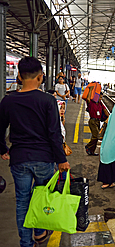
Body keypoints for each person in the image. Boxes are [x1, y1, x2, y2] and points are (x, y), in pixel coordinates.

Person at [0, 57, 70, 247]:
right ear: (40, 78)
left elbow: (0, 128)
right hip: (44, 159)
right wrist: (61, 159)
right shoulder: (48, 100)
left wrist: (3, 148)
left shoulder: (8, 101)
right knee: (43, 197)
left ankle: (26, 242)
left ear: (19, 77)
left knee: (22, 201)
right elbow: (54, 133)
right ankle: (39, 233)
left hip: (19, 159)